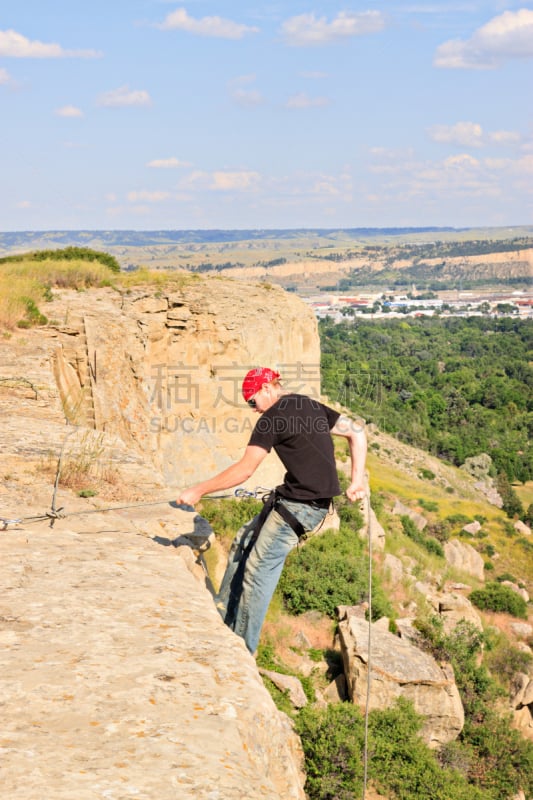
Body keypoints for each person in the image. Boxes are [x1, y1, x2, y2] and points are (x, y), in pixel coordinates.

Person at [177, 366, 367, 655]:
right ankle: (223, 617)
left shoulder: (272, 418)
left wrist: (198, 490)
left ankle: (240, 651)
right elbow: (356, 433)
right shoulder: (306, 403)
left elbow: (244, 470)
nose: (253, 410)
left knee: (258, 570)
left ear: (267, 388)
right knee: (243, 539)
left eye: (252, 402)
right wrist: (355, 481)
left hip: (300, 507)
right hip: (295, 501)